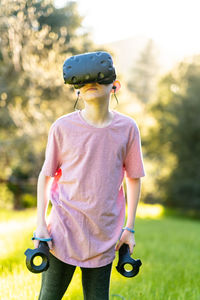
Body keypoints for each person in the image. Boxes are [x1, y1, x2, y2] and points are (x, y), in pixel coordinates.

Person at [33, 51, 145, 300]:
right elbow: (46, 176)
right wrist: (41, 224)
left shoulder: (127, 128)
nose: (91, 84)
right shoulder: (62, 127)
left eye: (99, 78)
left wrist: (130, 228)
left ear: (114, 86)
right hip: (62, 233)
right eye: (83, 81)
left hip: (104, 236)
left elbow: (134, 178)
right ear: (77, 90)